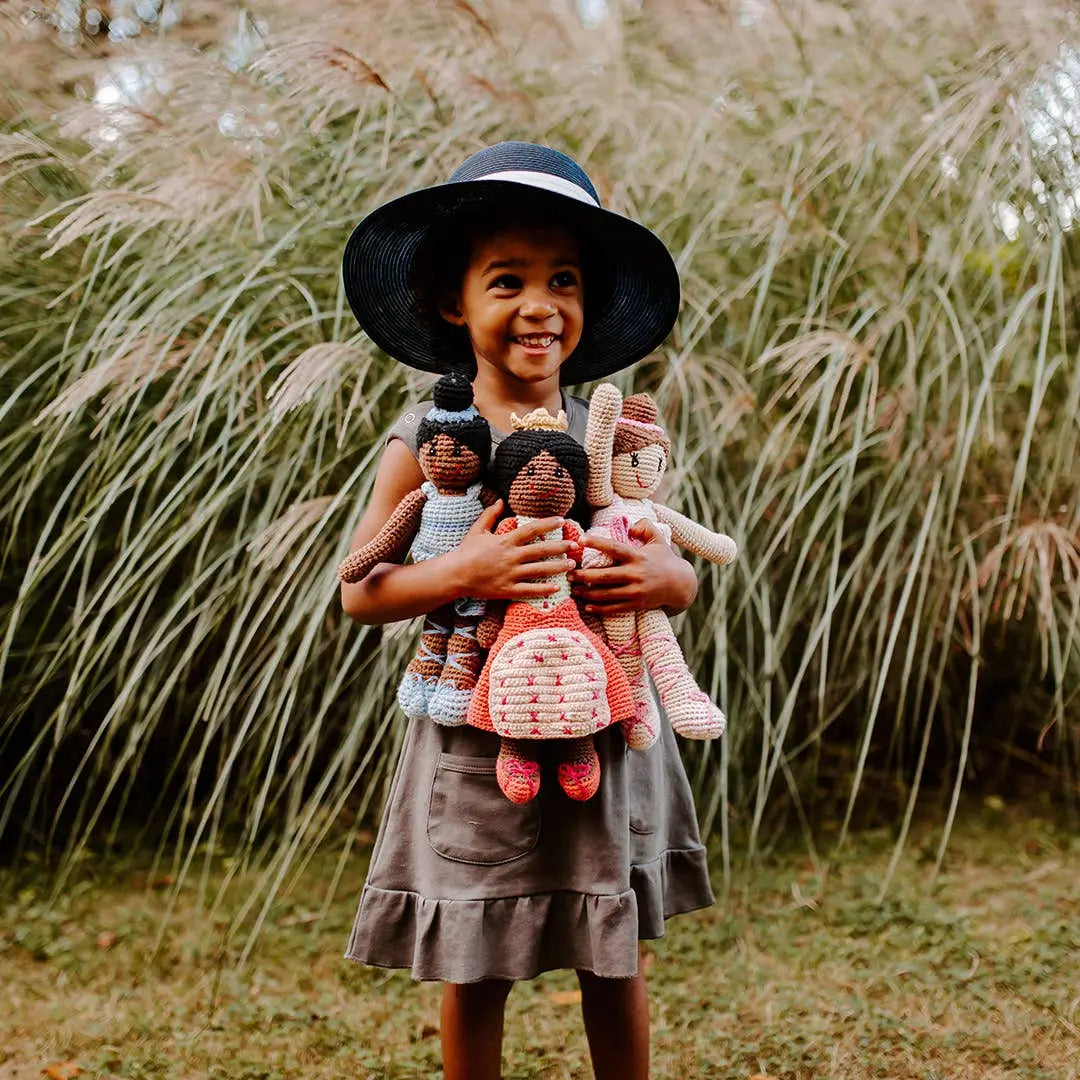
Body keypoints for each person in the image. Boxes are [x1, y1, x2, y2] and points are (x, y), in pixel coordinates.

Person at [339, 141, 716, 1080]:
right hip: (479, 731)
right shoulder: (429, 443)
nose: (540, 305)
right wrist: (466, 569)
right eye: (507, 280)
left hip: (608, 722)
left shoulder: (606, 434)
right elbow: (361, 590)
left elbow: (666, 554)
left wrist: (672, 583)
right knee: (478, 958)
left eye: (564, 281)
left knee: (610, 947)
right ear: (451, 301)